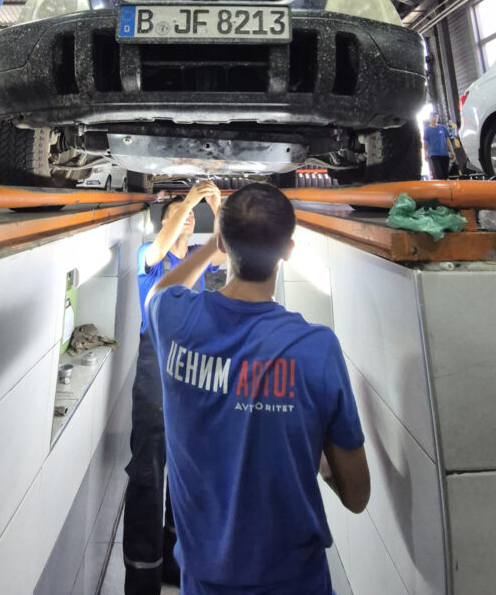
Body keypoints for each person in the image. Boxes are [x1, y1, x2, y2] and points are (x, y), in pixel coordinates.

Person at [145, 183, 370, 595]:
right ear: (289, 249)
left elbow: (160, 290)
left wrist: (214, 247)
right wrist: (318, 457)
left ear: (223, 242)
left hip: (202, 581)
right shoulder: (315, 349)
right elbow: (357, 495)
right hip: (295, 584)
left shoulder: (173, 320)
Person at [124, 180, 225, 595]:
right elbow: (161, 245)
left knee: (188, 469)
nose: (183, 220)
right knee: (149, 469)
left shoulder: (204, 269)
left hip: (193, 370)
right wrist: (187, 201)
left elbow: (228, 248)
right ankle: (143, 573)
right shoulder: (151, 259)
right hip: (156, 365)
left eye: (186, 218)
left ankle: (173, 562)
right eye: (174, 217)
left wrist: (218, 210)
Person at [422, 111, 455, 180]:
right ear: (430, 118)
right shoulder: (427, 130)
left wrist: (451, 151)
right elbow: (425, 143)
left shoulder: (442, 128)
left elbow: (447, 140)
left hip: (444, 154)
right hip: (434, 154)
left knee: (445, 174)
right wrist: (425, 153)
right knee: (439, 174)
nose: (435, 119)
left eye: (437, 117)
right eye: (434, 117)